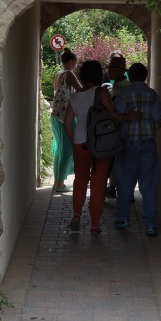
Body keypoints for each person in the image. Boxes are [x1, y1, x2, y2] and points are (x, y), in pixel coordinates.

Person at [65, 59, 139, 234]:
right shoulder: (102, 92)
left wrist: (75, 141)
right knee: (98, 182)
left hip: (80, 142)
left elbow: (67, 124)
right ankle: (94, 224)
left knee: (80, 179)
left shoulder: (75, 96)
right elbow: (114, 115)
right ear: (98, 75)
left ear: (82, 76)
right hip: (100, 143)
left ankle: (76, 214)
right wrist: (129, 116)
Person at [113, 62, 161, 237]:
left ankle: (123, 218)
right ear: (146, 76)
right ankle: (150, 224)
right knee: (149, 185)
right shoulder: (152, 94)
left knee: (124, 182)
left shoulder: (124, 93)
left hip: (128, 142)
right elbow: (158, 116)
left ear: (130, 76)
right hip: (148, 143)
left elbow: (118, 113)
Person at [49, 51, 80, 192]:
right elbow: (81, 90)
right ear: (71, 61)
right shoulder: (69, 74)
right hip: (65, 116)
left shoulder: (58, 74)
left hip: (55, 116)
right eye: (76, 62)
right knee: (68, 149)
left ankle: (57, 181)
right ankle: (60, 183)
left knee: (59, 149)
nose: (76, 65)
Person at [103, 52, 129, 198]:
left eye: (111, 70)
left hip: (118, 128)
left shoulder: (120, 87)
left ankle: (113, 188)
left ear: (118, 71)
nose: (108, 72)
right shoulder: (122, 84)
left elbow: (116, 109)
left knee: (115, 161)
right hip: (122, 127)